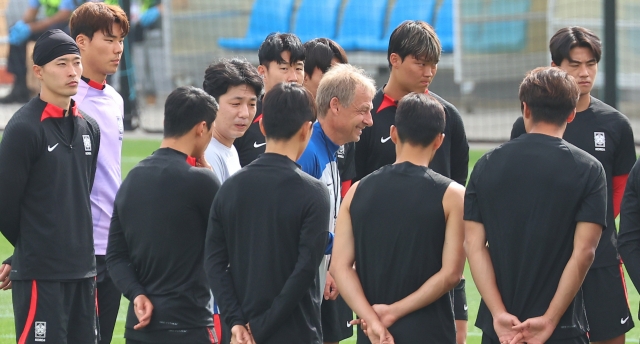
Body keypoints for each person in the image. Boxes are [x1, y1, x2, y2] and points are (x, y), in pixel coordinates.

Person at [511, 27, 636, 344]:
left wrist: (588, 225)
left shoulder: (615, 124)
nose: (584, 73)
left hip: (600, 258)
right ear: (555, 67)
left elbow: (621, 190)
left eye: (591, 64)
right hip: (546, 260)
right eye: (575, 64)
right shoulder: (527, 123)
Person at [467, 66, 605, 344]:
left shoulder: (486, 165)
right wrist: (550, 319)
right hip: (562, 329)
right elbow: (584, 252)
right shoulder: (589, 169)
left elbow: (473, 245)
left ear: (525, 109)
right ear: (571, 114)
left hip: (501, 331)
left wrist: (498, 313)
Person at [353, 20, 470, 342]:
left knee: (458, 335)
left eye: (433, 64)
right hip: (380, 264)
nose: (428, 72)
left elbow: (457, 182)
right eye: (420, 62)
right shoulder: (367, 115)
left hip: (437, 262)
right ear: (394, 60)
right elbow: (355, 185)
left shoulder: (447, 117)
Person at [331, 92, 466, 343]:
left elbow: (340, 267)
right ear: (439, 140)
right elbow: (451, 275)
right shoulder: (453, 196)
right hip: (430, 333)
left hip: (374, 335)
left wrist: (371, 319)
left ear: (393, 133)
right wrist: (393, 312)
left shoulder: (357, 191)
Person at [206, 82, 329, 344]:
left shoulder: (230, 187)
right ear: (308, 129)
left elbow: (214, 263)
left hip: (238, 334)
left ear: (261, 127)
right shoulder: (314, 193)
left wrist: (236, 322)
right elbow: (304, 271)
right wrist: (259, 327)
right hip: (295, 332)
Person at [0, 29, 100, 343]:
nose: (72, 71)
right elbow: (5, 205)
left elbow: (82, 194)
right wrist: (31, 248)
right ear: (39, 72)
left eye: (76, 62)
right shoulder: (23, 129)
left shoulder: (90, 128)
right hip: (41, 277)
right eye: (61, 63)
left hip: (84, 273)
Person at [106, 86, 221, 344]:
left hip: (140, 330)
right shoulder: (202, 182)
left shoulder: (132, 179)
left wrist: (137, 294)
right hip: (188, 327)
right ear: (202, 128)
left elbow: (115, 256)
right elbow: (234, 242)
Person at [297, 63, 375, 344]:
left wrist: (332, 264)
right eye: (362, 110)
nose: (369, 120)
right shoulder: (309, 153)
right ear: (335, 106)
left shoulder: (329, 150)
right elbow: (297, 229)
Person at [69, 3, 129, 343]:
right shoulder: (67, 100)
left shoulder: (116, 100)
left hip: (113, 245)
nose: (118, 49)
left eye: (120, 40)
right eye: (109, 39)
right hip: (79, 247)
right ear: (81, 41)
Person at [233, 32, 305, 167]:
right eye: (284, 68)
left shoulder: (311, 119)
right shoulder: (244, 118)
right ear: (262, 72)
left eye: (299, 68)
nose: (293, 77)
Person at [303, 38, 355, 200]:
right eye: (328, 73)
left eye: (339, 74)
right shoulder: (287, 123)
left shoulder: (345, 127)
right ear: (304, 76)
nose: (335, 82)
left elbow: (345, 186)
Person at [1, 0, 80, 104]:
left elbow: (64, 14)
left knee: (55, 37)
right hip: (50, 24)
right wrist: (21, 25)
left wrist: (32, 27)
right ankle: (19, 89)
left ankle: (57, 90)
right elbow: (31, 12)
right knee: (17, 35)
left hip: (69, 24)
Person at [203, 58, 263, 183]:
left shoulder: (229, 148)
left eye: (252, 104)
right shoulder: (207, 154)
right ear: (212, 104)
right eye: (236, 104)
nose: (245, 114)